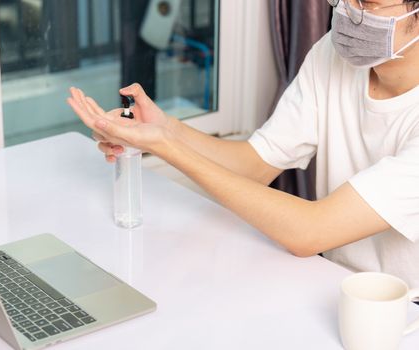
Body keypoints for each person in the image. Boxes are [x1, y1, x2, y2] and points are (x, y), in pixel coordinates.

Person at [68, 0, 419, 288]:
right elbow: (255, 164)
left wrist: (165, 147)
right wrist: (166, 129)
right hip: (334, 283)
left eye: (366, 3)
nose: (345, 12)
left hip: (405, 313)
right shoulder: (332, 53)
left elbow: (310, 232)